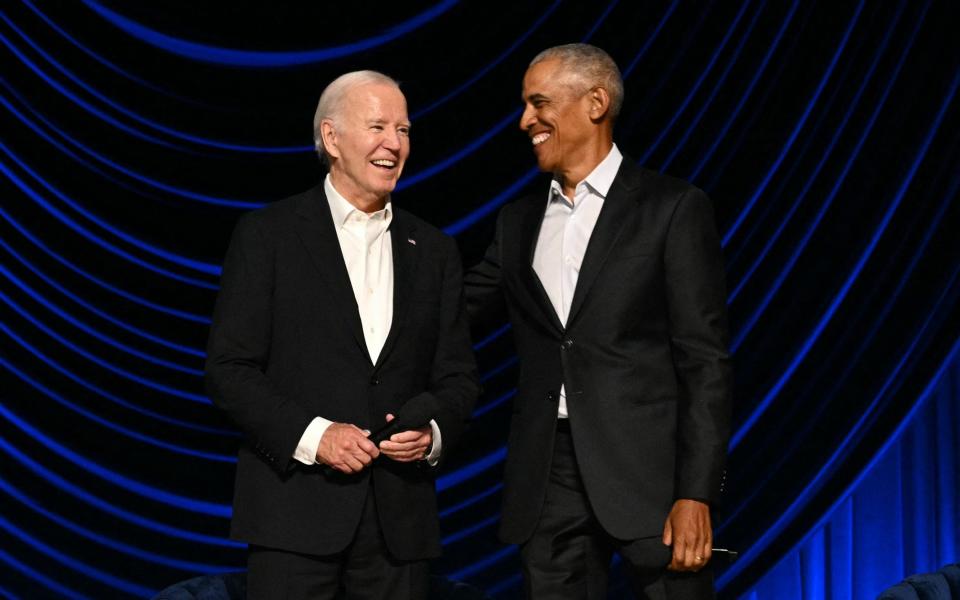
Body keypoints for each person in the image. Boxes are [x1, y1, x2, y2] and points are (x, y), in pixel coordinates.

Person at [465, 44, 733, 599]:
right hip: (548, 476)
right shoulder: (517, 222)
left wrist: (697, 493)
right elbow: (455, 312)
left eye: (539, 103)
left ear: (595, 102)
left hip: (652, 479)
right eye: (524, 106)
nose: (525, 121)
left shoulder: (672, 207)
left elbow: (704, 360)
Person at [205, 70, 479, 600]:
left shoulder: (435, 249)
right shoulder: (268, 236)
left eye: (404, 129)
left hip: (399, 526)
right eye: (378, 126)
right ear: (332, 138)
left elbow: (459, 376)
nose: (394, 143)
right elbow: (229, 371)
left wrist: (432, 434)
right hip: (294, 518)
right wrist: (316, 436)